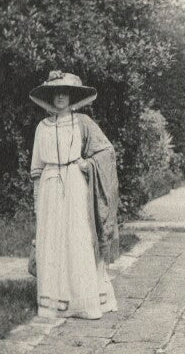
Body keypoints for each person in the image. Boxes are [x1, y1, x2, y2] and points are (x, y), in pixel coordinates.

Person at [28, 70, 121, 319]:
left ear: (72, 96)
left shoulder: (82, 123)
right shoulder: (42, 127)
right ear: (49, 96)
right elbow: (36, 169)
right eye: (56, 92)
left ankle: (85, 300)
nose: (60, 97)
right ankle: (53, 302)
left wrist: (87, 165)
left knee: (78, 236)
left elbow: (106, 151)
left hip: (76, 183)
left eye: (65, 92)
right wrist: (38, 203)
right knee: (52, 239)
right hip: (49, 185)